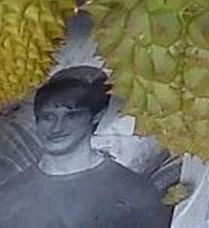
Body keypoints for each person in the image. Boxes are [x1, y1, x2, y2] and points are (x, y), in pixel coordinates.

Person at [0, 66, 172, 228]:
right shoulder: (8, 194)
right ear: (37, 120)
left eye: (71, 116)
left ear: (96, 117)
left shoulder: (134, 193)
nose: (57, 127)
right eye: (48, 117)